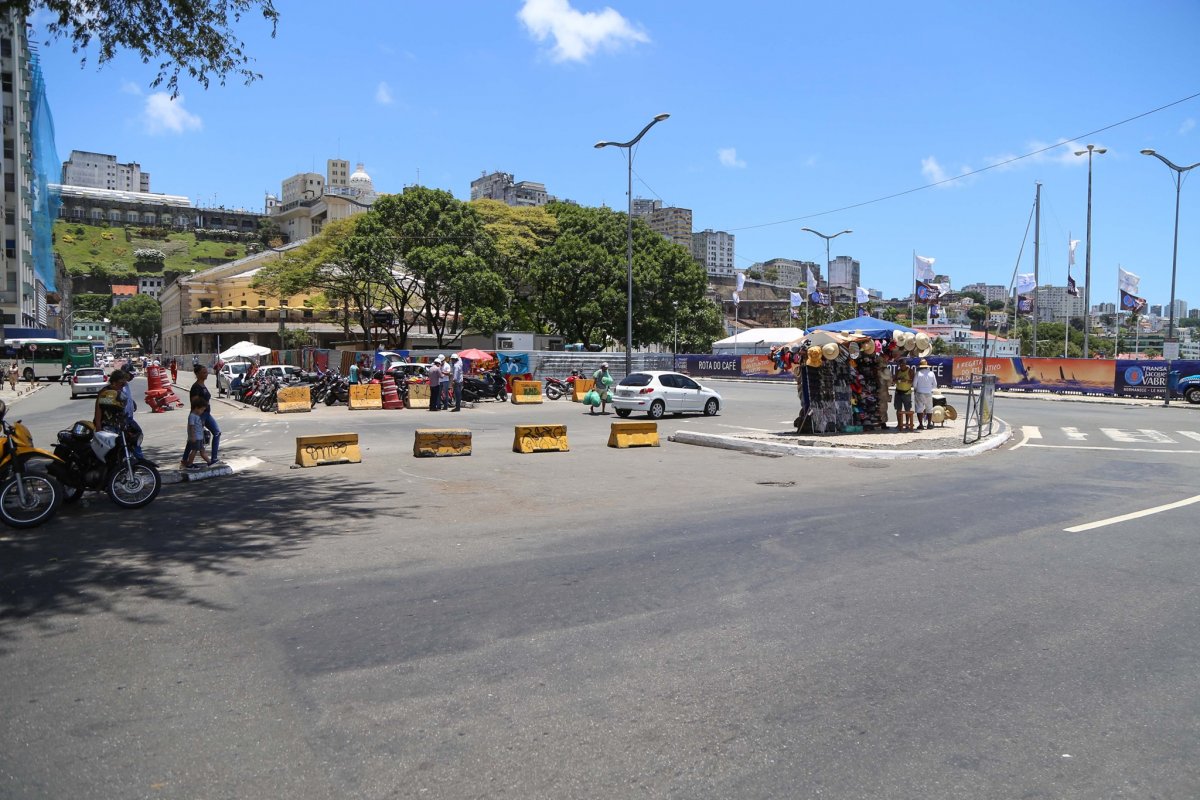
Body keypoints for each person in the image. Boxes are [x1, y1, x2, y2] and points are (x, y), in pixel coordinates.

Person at [187, 364, 222, 464]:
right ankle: (187, 460)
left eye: (206, 372)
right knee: (194, 438)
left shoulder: (203, 385)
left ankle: (213, 458)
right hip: (200, 415)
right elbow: (195, 403)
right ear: (197, 374)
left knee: (216, 433)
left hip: (206, 414)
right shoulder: (196, 387)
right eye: (203, 372)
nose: (206, 374)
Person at [181, 395, 212, 470]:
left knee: (202, 450)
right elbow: (191, 427)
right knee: (194, 451)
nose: (202, 412)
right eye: (201, 410)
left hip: (200, 436)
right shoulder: (192, 416)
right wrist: (192, 436)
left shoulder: (197, 416)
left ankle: (209, 462)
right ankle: (190, 464)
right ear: (196, 407)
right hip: (196, 437)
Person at [912, 359, 938, 430]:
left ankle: (921, 424)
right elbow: (935, 385)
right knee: (929, 409)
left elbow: (914, 384)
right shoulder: (931, 373)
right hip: (928, 393)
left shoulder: (918, 373)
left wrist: (917, 389)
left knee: (919, 409)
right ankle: (929, 424)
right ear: (926, 366)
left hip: (920, 392)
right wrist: (929, 388)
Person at [893, 360, 914, 431]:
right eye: (900, 365)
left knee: (907, 409)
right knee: (898, 409)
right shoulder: (898, 371)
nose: (901, 366)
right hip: (898, 392)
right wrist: (897, 380)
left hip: (907, 393)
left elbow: (912, 381)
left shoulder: (910, 371)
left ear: (906, 364)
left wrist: (906, 380)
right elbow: (894, 380)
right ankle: (899, 424)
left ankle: (907, 424)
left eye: (903, 365)